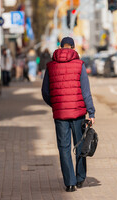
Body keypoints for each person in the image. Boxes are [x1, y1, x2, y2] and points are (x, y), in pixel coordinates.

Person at [41, 37, 95, 192]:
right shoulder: (79, 65)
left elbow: (45, 92)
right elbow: (86, 92)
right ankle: (80, 178)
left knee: (64, 148)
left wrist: (56, 104)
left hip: (60, 115)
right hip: (78, 114)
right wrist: (91, 111)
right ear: (73, 47)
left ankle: (70, 183)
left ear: (60, 47)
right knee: (80, 145)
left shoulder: (50, 66)